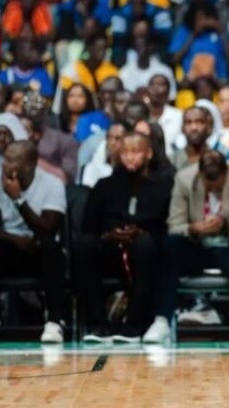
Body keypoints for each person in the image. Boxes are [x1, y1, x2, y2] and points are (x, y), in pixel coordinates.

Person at [144, 149, 229, 344]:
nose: (213, 187)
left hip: (227, 247)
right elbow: (174, 226)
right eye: (208, 183)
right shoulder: (184, 179)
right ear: (199, 174)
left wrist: (226, 225)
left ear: (226, 172)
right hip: (196, 246)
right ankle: (162, 320)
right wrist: (192, 229)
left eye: (218, 183)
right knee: (171, 244)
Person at [74, 132, 173, 343]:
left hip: (145, 254)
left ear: (148, 154)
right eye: (125, 152)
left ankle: (133, 327)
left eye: (135, 152)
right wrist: (109, 235)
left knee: (145, 245)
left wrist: (141, 233)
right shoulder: (104, 186)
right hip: (109, 250)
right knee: (84, 245)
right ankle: (98, 325)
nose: (130, 157)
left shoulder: (163, 187)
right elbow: (89, 227)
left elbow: (167, 229)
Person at [0, 140, 67, 344]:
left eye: (13, 161)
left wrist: (18, 200)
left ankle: (54, 322)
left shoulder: (52, 184)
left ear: (30, 165)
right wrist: (15, 240)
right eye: (6, 159)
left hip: (38, 249)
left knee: (53, 248)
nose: (6, 165)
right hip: (7, 247)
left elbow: (49, 229)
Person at [22, 94, 79, 184]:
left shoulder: (65, 141)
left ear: (45, 113)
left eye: (37, 108)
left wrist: (33, 161)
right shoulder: (12, 136)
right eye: (30, 109)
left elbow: (66, 178)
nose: (33, 113)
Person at [81, 122, 128, 188]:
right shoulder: (92, 167)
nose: (112, 143)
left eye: (118, 138)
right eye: (109, 137)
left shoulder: (131, 167)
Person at [147, 74, 183, 155]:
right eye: (152, 85)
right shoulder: (141, 114)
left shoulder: (179, 116)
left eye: (160, 85)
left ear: (168, 91)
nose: (156, 89)